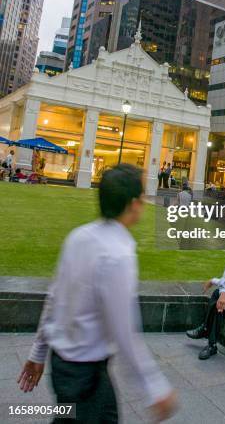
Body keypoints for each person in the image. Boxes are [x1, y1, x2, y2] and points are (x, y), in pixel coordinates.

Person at [18, 164, 178, 423]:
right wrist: (155, 386)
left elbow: (54, 299)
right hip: (85, 372)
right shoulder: (118, 253)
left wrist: (38, 353)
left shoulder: (78, 237)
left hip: (62, 366)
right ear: (133, 203)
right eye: (142, 197)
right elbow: (123, 329)